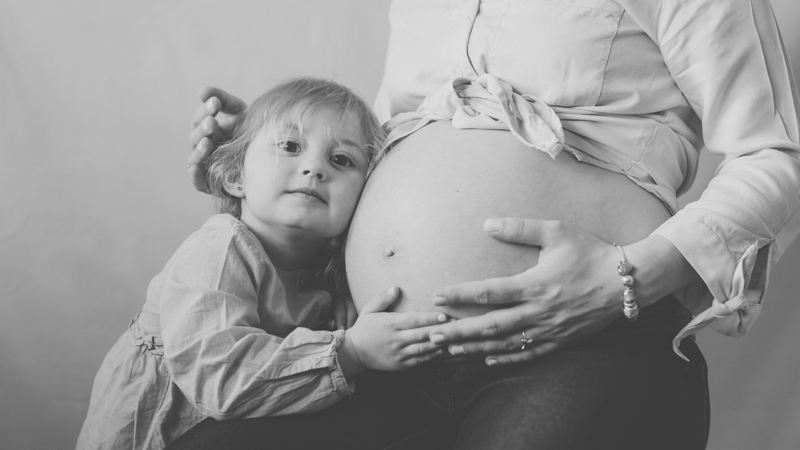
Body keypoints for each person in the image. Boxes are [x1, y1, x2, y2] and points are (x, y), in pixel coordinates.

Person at [178, 1, 800, 449]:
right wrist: (271, 152)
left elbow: (777, 152)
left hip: (587, 347)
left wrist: (622, 279)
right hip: (383, 351)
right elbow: (386, 152)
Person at [76, 78, 451, 450]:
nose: (314, 169)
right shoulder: (221, 247)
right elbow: (221, 376)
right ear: (236, 175)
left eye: (341, 160)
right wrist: (351, 351)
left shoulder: (327, 270)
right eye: (289, 145)